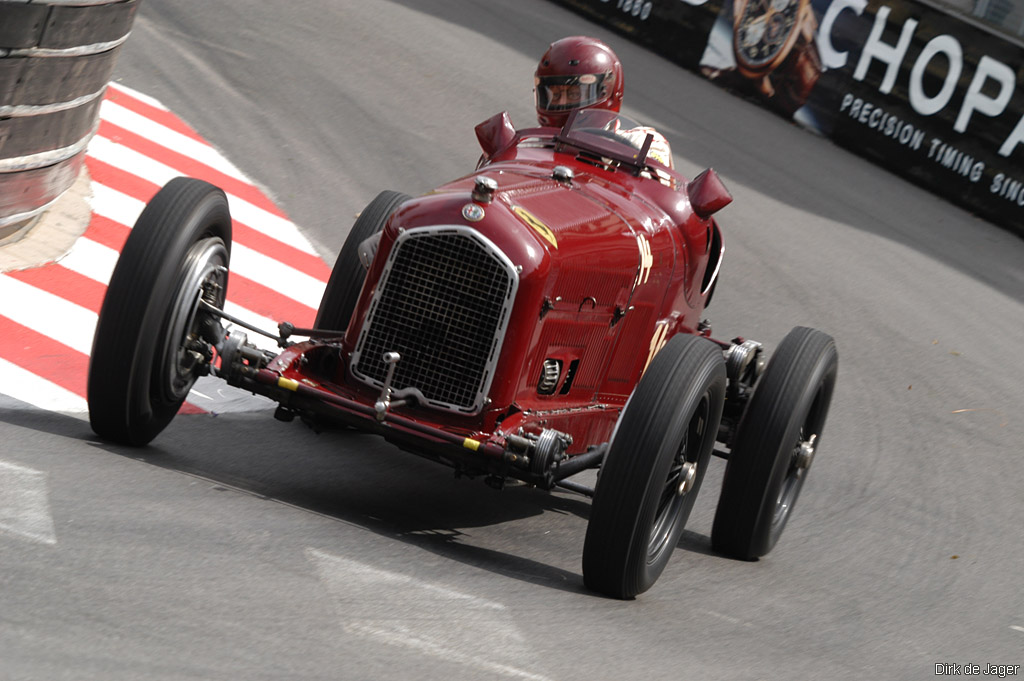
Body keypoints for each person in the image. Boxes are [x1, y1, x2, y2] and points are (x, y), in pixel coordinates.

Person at [534, 36, 675, 169]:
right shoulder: (536, 143)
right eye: (556, 95)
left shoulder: (643, 144)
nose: (561, 103)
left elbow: (652, 191)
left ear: (607, 92)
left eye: (574, 94)